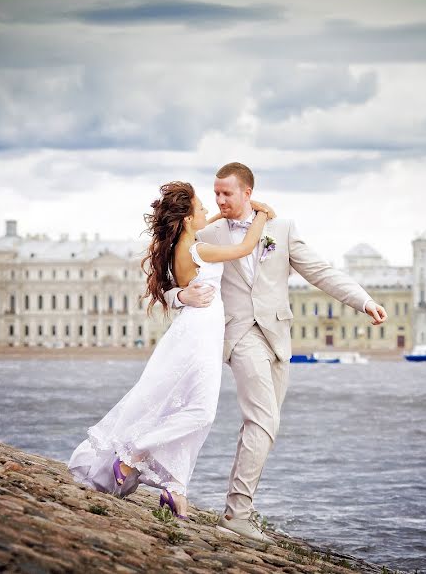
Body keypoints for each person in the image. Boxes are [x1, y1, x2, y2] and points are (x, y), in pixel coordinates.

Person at [165, 162, 387, 542]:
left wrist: (363, 301)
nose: (219, 200)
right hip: (238, 334)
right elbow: (170, 276)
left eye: (226, 193)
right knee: (265, 419)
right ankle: (238, 514)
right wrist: (180, 295)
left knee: (260, 426)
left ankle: (233, 508)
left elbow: (320, 271)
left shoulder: (281, 229)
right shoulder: (208, 230)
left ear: (247, 193)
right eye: (215, 193)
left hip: (279, 338)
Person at [67, 181, 275, 519]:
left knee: (181, 405)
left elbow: (173, 286)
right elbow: (246, 246)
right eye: (202, 208)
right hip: (199, 335)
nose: (208, 211)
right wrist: (263, 215)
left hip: (193, 331)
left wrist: (181, 295)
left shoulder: (182, 246)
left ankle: (176, 488)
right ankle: (133, 454)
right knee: (202, 412)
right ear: (190, 219)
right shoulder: (198, 249)